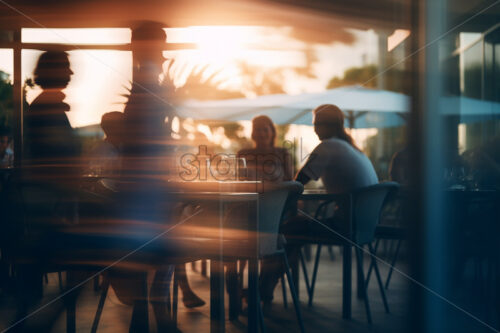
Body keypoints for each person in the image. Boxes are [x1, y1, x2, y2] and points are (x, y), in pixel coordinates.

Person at [260, 104, 378, 304]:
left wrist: (278, 204)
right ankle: (265, 288)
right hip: (365, 225)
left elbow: (298, 182)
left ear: (328, 126)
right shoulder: (351, 148)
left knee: (288, 229)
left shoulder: (329, 146)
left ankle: (261, 289)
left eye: (316, 125)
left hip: (346, 225)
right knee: (295, 228)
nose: (314, 129)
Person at [24, 50, 81, 182]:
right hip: (53, 189)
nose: (71, 72)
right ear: (54, 71)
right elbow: (59, 152)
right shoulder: (47, 108)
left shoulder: (45, 105)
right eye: (66, 67)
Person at [238, 115, 293, 182]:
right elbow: (238, 180)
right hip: (250, 192)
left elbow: (289, 181)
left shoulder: (283, 153)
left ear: (272, 132)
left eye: (265, 129)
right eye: (257, 129)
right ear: (253, 133)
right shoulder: (243, 154)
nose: (261, 133)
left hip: (277, 192)